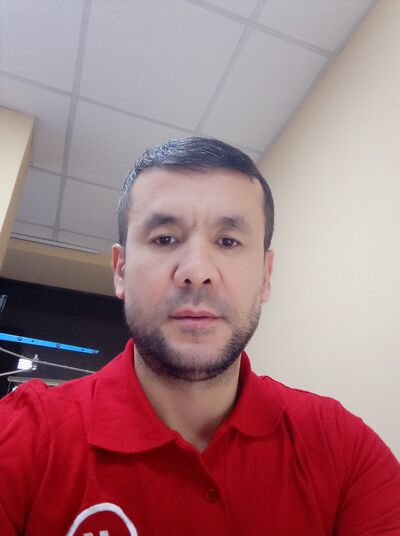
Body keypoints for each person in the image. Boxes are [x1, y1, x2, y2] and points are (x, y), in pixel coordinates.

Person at [0, 137, 399, 535]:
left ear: (265, 275)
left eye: (228, 241)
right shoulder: (21, 436)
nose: (196, 271)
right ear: (120, 270)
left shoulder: (343, 447)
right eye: (165, 239)